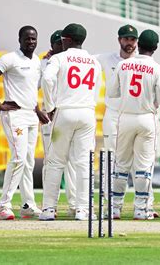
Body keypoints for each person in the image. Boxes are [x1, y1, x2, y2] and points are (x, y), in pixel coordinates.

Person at [0, 25, 48, 220]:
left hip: (30, 115)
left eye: (34, 39)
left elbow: (30, 91)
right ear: (19, 40)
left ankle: (28, 204)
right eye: (27, 38)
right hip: (15, 114)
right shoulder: (10, 58)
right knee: (19, 157)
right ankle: (3, 204)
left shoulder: (36, 61)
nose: (31, 42)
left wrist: (37, 111)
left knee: (28, 160)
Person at [95, 24, 159, 218]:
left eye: (132, 40)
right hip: (114, 116)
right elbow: (82, 60)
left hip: (133, 116)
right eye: (125, 39)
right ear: (119, 40)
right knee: (115, 161)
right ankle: (111, 205)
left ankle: (146, 204)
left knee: (141, 163)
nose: (128, 43)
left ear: (137, 43)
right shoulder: (106, 58)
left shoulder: (147, 63)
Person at [39, 23, 101, 221]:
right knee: (84, 163)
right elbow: (97, 87)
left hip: (64, 112)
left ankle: (49, 209)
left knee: (56, 161)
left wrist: (49, 106)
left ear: (67, 40)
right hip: (87, 113)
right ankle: (83, 209)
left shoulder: (58, 58)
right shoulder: (94, 61)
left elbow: (47, 79)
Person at [107, 29, 160, 220]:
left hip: (124, 117)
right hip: (146, 118)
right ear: (156, 47)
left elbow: (112, 92)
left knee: (121, 165)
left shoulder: (123, 65)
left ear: (139, 44)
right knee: (143, 167)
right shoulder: (158, 69)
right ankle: (141, 210)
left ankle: (115, 209)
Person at [40, 30, 77, 217]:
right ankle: (49, 205)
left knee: (70, 162)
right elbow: (39, 84)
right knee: (51, 161)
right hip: (50, 117)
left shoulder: (67, 61)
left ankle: (73, 205)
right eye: (58, 44)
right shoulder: (47, 63)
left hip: (63, 115)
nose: (61, 47)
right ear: (53, 46)